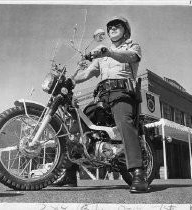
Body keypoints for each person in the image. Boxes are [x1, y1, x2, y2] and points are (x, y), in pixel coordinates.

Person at [54, 16, 148, 193]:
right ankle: (70, 173)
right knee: (76, 127)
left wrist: (109, 52)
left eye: (116, 25)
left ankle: (139, 173)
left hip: (123, 94)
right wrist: (69, 79)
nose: (111, 28)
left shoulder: (131, 46)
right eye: (109, 26)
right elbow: (88, 73)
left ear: (125, 30)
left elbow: (131, 57)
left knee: (124, 123)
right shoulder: (101, 56)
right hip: (103, 98)